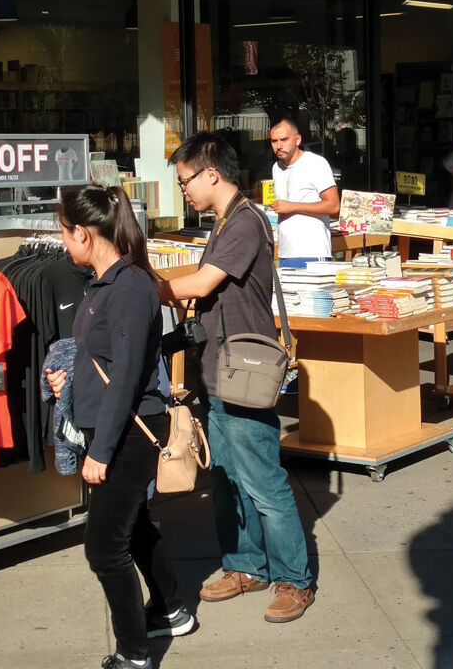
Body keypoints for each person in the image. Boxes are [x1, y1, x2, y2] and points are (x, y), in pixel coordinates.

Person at [157, 132, 316, 624]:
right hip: (218, 370)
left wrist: (145, 287)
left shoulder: (245, 221)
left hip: (243, 373)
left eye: (185, 179)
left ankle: (295, 579)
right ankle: (245, 566)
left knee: (264, 482)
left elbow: (204, 284)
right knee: (226, 480)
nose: (183, 189)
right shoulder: (226, 221)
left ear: (211, 173)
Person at [45, 186, 193, 669]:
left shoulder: (128, 287)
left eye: (64, 234)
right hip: (110, 426)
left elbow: (128, 374)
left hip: (127, 432)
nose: (63, 244)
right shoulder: (105, 283)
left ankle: (133, 654)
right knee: (131, 531)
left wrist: (101, 451)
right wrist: (67, 377)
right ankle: (171, 609)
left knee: (104, 548)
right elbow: (105, 359)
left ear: (83, 234)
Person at [269, 116, 340, 268]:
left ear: (297, 140)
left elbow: (333, 206)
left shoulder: (315, 163)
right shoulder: (277, 167)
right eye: (274, 141)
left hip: (312, 251)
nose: (279, 146)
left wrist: (292, 206)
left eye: (284, 139)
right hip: (286, 252)